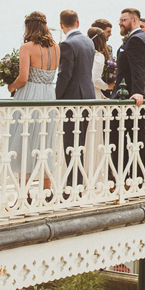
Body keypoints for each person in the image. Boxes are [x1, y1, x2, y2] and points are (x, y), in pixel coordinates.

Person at [7, 12, 60, 193]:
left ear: (28, 27)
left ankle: (25, 191)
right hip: (48, 94)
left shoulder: (27, 47)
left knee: (25, 140)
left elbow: (23, 78)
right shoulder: (56, 48)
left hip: (30, 95)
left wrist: (11, 86)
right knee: (45, 141)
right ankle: (47, 190)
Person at [55, 10, 96, 190]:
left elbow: (65, 75)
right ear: (78, 23)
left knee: (70, 144)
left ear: (62, 25)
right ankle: (78, 181)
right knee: (80, 143)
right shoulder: (89, 42)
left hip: (72, 98)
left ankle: (74, 183)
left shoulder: (67, 44)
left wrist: (57, 98)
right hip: (88, 96)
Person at [114, 8, 145, 173]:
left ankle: (124, 176)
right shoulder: (144, 38)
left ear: (134, 20)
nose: (120, 23)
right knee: (139, 139)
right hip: (135, 95)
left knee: (121, 139)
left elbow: (139, 68)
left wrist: (138, 91)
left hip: (130, 98)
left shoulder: (136, 39)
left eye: (123, 20)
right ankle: (137, 175)